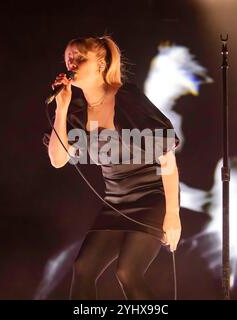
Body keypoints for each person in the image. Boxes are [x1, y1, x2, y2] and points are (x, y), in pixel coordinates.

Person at [43, 35, 181, 300]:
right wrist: (61, 110)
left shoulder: (127, 98)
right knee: (83, 268)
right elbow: (58, 160)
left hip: (151, 196)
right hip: (116, 200)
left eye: (80, 56)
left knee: (127, 272)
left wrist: (172, 214)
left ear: (100, 64)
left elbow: (167, 158)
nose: (72, 61)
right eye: (69, 56)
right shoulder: (75, 110)